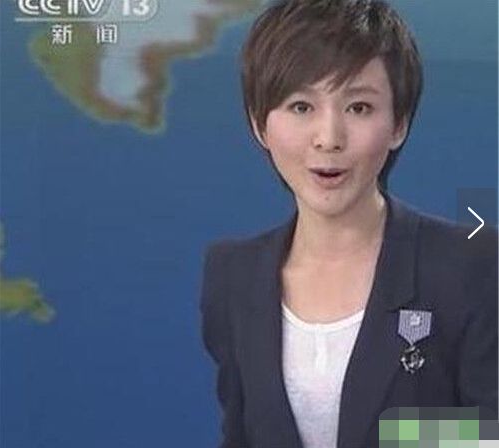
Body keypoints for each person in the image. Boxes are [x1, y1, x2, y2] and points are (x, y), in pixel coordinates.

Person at [199, 0, 498, 447]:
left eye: (358, 107)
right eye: (301, 106)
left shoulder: (471, 263)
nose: (329, 138)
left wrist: (394, 434)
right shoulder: (232, 275)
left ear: (399, 124)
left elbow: (490, 431)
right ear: (259, 125)